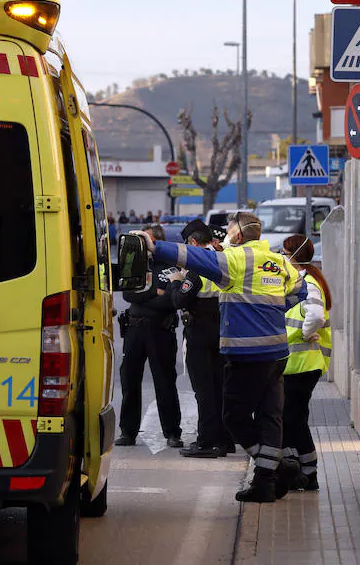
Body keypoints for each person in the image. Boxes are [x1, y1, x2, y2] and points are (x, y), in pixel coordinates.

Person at [134, 212, 307, 502]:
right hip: (277, 353)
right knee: (269, 416)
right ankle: (266, 481)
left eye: (228, 229)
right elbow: (299, 290)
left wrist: (154, 246)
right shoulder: (279, 262)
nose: (225, 234)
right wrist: (273, 310)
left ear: (238, 236)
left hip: (247, 354)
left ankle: (273, 468)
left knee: (233, 416)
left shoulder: (235, 260)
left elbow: (193, 257)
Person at [169, 220, 235, 458]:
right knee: (221, 388)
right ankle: (226, 439)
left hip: (200, 333)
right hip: (224, 330)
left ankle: (207, 442)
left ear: (193, 243)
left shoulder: (198, 268)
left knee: (204, 391)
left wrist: (176, 281)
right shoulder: (224, 261)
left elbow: (179, 300)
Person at [115, 224, 183, 448]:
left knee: (165, 382)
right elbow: (127, 294)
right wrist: (155, 292)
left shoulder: (171, 266)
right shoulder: (134, 263)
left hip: (160, 330)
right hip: (134, 330)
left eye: (147, 239)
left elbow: (171, 300)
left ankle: (172, 432)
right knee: (129, 381)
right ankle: (128, 431)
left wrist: (144, 294)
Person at [280, 234, 333, 492]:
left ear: (293, 256)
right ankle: (299, 471)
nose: (281, 256)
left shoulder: (308, 282)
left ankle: (308, 473)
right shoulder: (304, 279)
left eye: (283, 252)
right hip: (298, 363)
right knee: (292, 417)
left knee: (293, 419)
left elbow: (315, 315)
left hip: (304, 363)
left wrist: (303, 332)